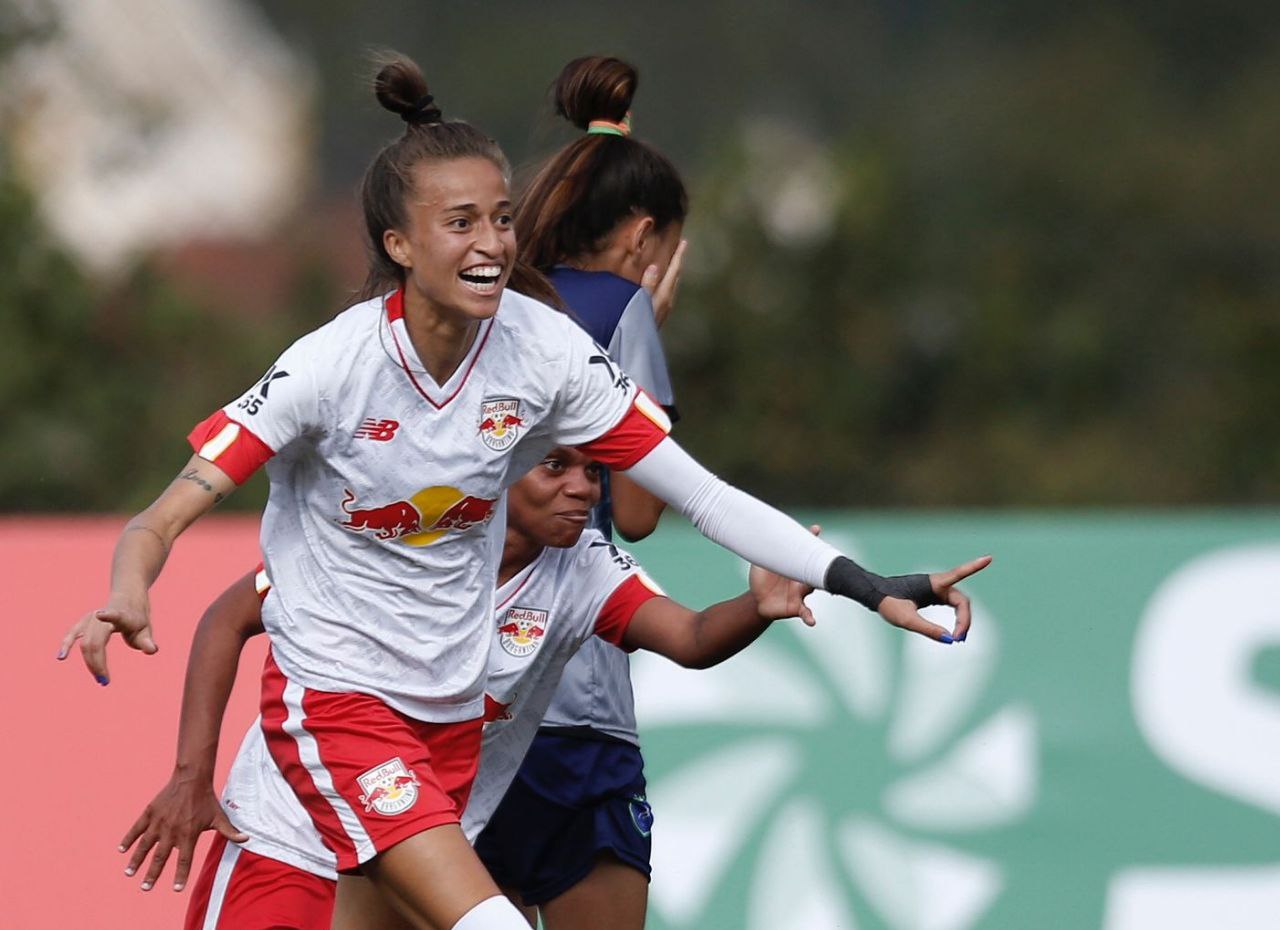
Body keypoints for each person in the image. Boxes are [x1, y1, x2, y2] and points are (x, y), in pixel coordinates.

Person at [61, 52, 984, 930]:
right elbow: (165, 512)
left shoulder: (544, 356)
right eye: (459, 223)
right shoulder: (330, 369)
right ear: (399, 243)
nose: (492, 243)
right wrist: (126, 589)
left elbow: (702, 497)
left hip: (451, 732)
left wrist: (866, 584)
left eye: (502, 218)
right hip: (337, 710)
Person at [116, 445, 988, 930]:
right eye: (556, 469)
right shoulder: (403, 535)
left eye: (592, 469)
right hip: (287, 837)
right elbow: (226, 619)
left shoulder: (581, 567)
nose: (584, 487)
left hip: (411, 855)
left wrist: (756, 607)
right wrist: (192, 776)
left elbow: (685, 639)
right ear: (496, 475)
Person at [490, 54, 688, 929]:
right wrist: (644, 333)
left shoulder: (491, 308)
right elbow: (638, 515)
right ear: (645, 235)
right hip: (576, 700)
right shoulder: (621, 309)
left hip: (463, 699)